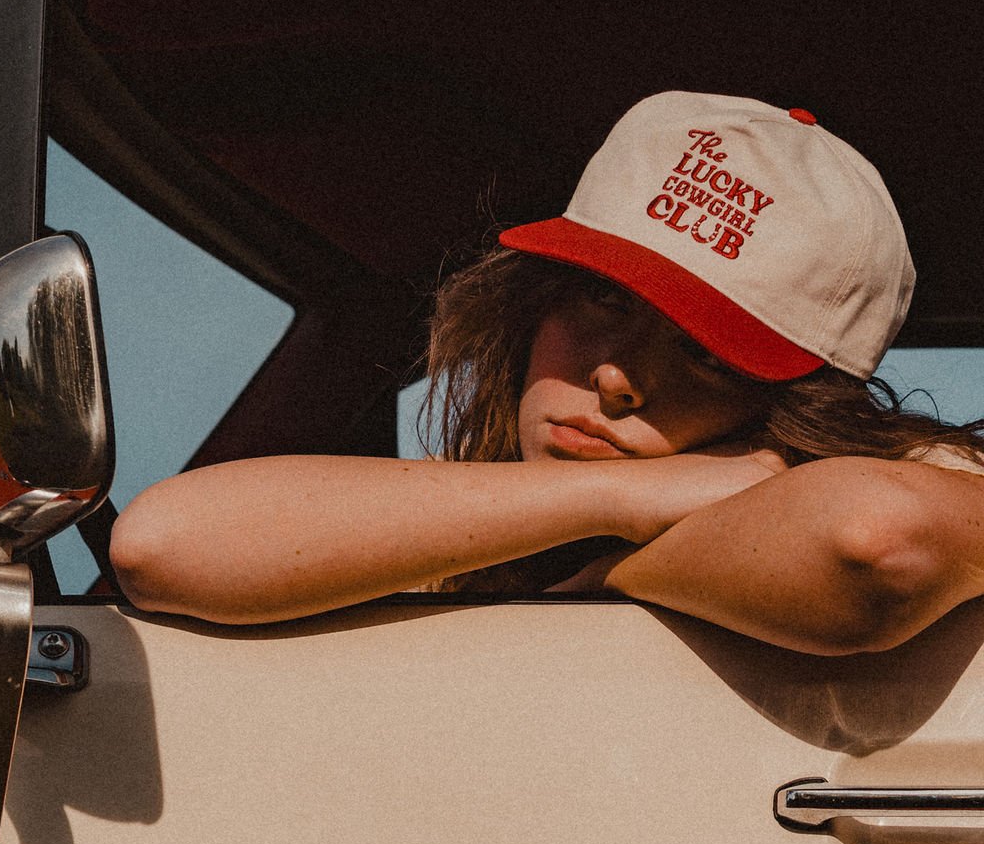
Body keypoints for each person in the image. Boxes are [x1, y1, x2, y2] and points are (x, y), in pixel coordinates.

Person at [111, 91, 984, 655]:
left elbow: (875, 540)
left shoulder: (918, 478)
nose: (617, 379)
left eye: (707, 354)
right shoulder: (481, 520)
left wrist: (612, 573)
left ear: (795, 406)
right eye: (601, 300)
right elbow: (160, 545)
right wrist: (625, 497)